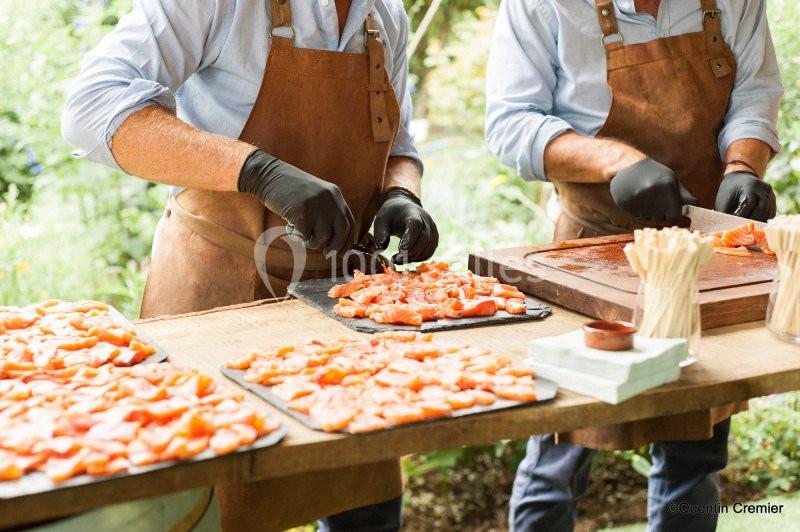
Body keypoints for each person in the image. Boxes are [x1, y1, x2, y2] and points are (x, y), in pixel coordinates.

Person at [62, 0, 437, 530]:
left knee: (365, 507)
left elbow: (397, 139)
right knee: (213, 503)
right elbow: (91, 106)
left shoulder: (385, 14)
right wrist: (254, 170)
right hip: (219, 299)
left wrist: (401, 193)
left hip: (342, 305)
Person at [485, 0, 782, 530]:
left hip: (698, 255)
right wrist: (618, 162)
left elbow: (756, 91)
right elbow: (510, 123)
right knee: (562, 445)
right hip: (588, 257)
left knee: (694, 449)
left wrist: (742, 165)